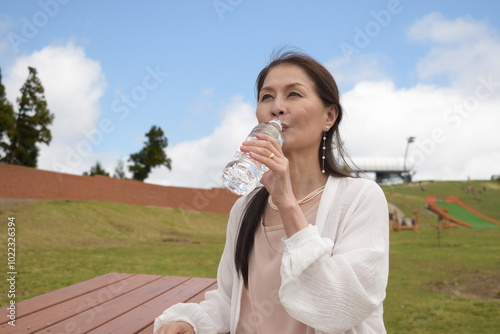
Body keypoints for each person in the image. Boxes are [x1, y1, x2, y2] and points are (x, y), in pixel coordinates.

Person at [154, 50, 389, 334]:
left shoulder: (360, 198)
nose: (276, 107)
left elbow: (340, 307)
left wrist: (287, 203)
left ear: (329, 116)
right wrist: (190, 323)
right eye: (267, 97)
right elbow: (232, 298)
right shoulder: (245, 208)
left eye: (293, 95)